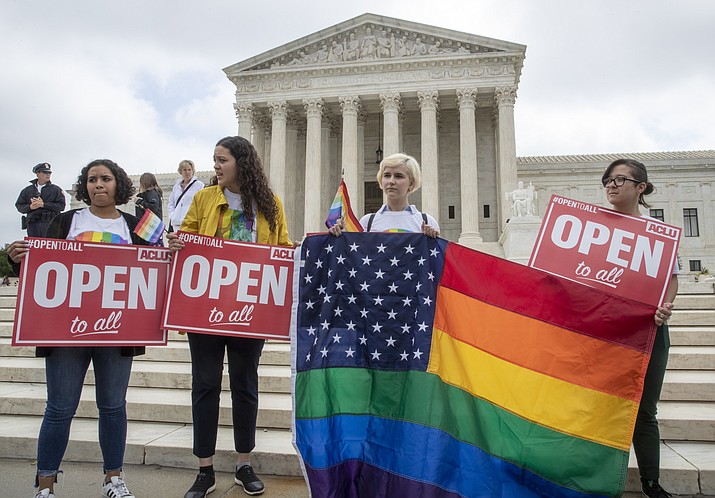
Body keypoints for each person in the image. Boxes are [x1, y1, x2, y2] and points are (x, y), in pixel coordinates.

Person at [7, 159, 155, 498]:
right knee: (59, 408)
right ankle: (45, 485)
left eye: (105, 178)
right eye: (91, 179)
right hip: (67, 332)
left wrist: (174, 250)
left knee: (114, 407)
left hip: (117, 331)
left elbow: (161, 263)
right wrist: (21, 260)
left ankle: (113, 479)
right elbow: (44, 269)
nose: (98, 185)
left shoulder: (140, 225)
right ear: (84, 186)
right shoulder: (65, 221)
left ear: (119, 184)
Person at [167, 136, 291, 497]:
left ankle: (243, 463)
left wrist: (291, 253)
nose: (216, 166)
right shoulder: (204, 198)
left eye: (222, 160)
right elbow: (186, 235)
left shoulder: (270, 204)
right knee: (204, 385)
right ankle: (204, 469)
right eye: (215, 160)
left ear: (242, 162)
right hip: (205, 308)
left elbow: (281, 247)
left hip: (249, 310)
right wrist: (176, 242)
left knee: (245, 386)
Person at [601, 158, 678, 498]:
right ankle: (596, 479)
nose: (611, 185)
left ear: (640, 187)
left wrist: (664, 307)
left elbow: (670, 279)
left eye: (620, 179)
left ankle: (650, 482)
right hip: (603, 330)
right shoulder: (593, 228)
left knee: (644, 410)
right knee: (600, 405)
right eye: (608, 180)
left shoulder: (657, 234)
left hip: (648, 330)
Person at [329, 153, 439, 237]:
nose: (391, 181)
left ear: (411, 183)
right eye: (386, 175)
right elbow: (356, 259)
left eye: (398, 176)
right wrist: (341, 236)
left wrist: (433, 241)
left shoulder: (427, 222)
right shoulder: (367, 222)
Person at [15, 162, 66, 237]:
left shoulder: (56, 189)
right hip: (33, 224)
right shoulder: (27, 190)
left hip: (50, 223)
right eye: (45, 172)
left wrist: (43, 205)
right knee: (34, 247)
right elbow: (19, 205)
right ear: (37, 173)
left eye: (49, 173)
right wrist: (30, 207)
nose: (48, 174)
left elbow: (61, 206)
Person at [168, 159, 204, 232]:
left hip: (190, 224)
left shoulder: (199, 185)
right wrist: (172, 215)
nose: (187, 172)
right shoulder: (176, 187)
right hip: (176, 224)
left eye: (189, 170)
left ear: (193, 171)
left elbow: (201, 204)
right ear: (181, 171)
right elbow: (171, 203)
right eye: (184, 170)